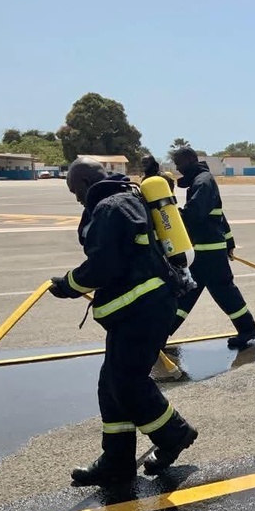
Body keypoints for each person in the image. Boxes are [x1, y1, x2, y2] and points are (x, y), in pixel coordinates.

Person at [49, 156, 198, 485]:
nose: (76, 199)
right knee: (111, 385)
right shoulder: (127, 199)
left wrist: (68, 284)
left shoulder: (111, 207)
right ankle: (117, 460)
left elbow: (105, 265)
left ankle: (174, 433)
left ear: (87, 184)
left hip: (142, 312)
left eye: (75, 191)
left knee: (128, 384)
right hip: (135, 312)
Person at [170, 146, 255, 349]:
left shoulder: (202, 182)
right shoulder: (201, 181)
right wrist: (229, 242)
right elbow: (220, 215)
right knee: (197, 292)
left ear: (190, 160)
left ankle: (161, 334)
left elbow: (195, 214)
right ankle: (247, 328)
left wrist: (169, 217)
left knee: (195, 292)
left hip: (207, 251)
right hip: (205, 250)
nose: (178, 169)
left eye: (179, 164)